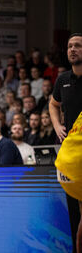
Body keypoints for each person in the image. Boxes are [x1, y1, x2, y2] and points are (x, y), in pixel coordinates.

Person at [51, 33, 82, 252]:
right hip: (71, 153)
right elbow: (53, 105)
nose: (73, 49)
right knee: (74, 210)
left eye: (78, 46)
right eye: (70, 46)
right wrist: (56, 126)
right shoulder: (63, 79)